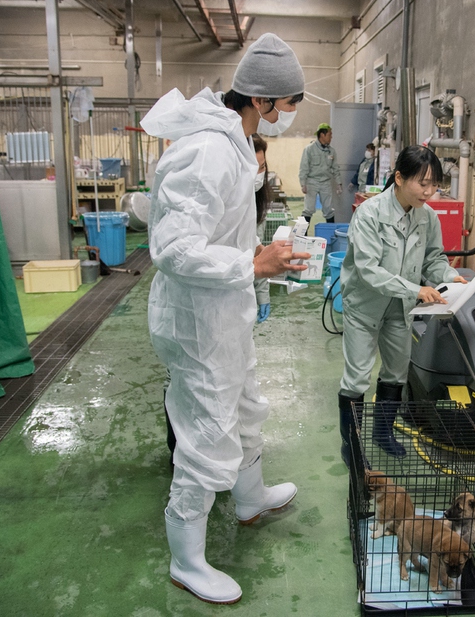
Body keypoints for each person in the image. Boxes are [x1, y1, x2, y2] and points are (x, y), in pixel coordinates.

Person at [141, 33, 310, 606]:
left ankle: (250, 497)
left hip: (225, 310)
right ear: (262, 101)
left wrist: (261, 261)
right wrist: (251, 263)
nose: (288, 117)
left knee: (244, 407)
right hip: (195, 321)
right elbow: (172, 248)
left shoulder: (238, 143)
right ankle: (186, 559)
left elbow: (226, 229)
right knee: (206, 434)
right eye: (289, 106)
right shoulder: (209, 150)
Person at [337, 145, 466, 468]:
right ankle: (351, 446)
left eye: (434, 184)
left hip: (401, 307)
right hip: (365, 306)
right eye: (422, 183)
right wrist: (417, 289)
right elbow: (368, 270)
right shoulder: (369, 214)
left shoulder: (428, 217)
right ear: (398, 178)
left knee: (395, 372)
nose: (429, 191)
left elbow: (433, 259)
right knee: (357, 379)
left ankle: (383, 434)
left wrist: (451, 276)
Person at [299, 123, 341, 224]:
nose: (331, 137)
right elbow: (303, 167)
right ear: (322, 135)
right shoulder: (309, 149)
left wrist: (339, 184)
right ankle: (303, 235)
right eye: (330, 134)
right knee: (308, 209)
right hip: (311, 182)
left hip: (325, 182)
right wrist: (303, 184)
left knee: (329, 210)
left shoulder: (331, 151)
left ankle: (331, 233)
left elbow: (335, 168)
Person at [252, 133, 272, 323]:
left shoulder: (254, 201)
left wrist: (263, 295)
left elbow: (256, 255)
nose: (259, 175)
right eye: (254, 168)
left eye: (263, 167)